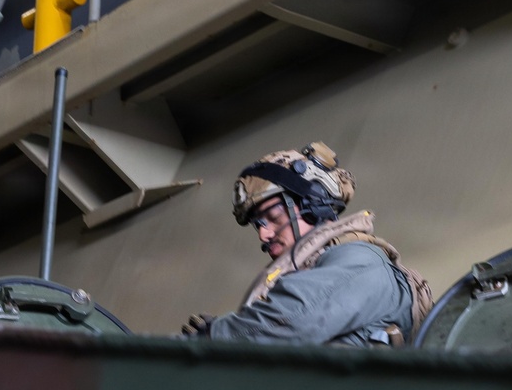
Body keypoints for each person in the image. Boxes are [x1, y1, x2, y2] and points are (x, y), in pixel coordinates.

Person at [182, 142, 432, 346]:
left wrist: (215, 335)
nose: (264, 235)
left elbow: (290, 320)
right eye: (258, 225)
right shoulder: (320, 271)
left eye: (273, 217)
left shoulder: (359, 260)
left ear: (313, 205)